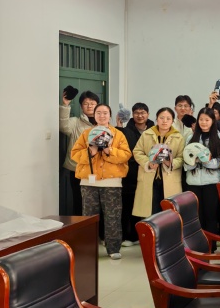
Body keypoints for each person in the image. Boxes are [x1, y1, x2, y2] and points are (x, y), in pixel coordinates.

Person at [70, 104, 132, 259]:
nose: (102, 116)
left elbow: (126, 155)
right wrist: (90, 152)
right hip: (88, 182)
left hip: (111, 182)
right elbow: (74, 154)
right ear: (94, 115)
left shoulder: (118, 134)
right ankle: (89, 249)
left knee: (113, 216)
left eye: (105, 113)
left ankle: (113, 249)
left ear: (110, 115)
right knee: (89, 218)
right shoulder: (86, 134)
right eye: (99, 113)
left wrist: (109, 150)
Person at [132, 107, 186, 219]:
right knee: (149, 214)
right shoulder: (147, 134)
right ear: (156, 119)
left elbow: (181, 158)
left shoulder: (178, 137)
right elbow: (137, 152)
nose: (164, 121)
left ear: (172, 121)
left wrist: (170, 162)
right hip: (149, 178)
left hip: (170, 179)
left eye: (168, 118)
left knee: (168, 214)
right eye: (161, 118)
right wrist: (148, 163)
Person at [184, 108, 220, 235]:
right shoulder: (191, 138)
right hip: (193, 182)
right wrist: (193, 162)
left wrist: (206, 161)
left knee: (211, 215)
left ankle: (211, 244)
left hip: (211, 182)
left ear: (213, 121)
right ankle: (198, 243)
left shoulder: (218, 138)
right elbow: (185, 160)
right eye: (201, 119)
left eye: (207, 120)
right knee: (196, 216)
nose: (203, 122)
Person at [60, 89, 99, 215]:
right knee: (79, 201)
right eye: (86, 103)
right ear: (81, 106)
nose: (89, 106)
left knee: (97, 202)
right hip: (78, 169)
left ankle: (95, 227)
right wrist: (65, 105)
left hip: (99, 169)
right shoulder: (75, 122)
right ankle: (79, 226)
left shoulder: (104, 123)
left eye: (92, 103)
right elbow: (63, 125)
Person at [120, 102, 153, 246]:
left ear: (148, 114)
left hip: (149, 172)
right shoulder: (125, 130)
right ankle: (131, 236)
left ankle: (150, 235)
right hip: (131, 174)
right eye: (137, 113)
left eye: (143, 112)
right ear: (132, 115)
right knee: (130, 206)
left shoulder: (154, 130)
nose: (140, 116)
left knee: (148, 205)